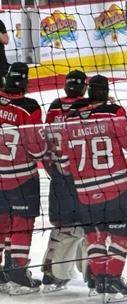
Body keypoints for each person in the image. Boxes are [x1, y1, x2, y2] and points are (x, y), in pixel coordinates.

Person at [55, 75, 127, 300]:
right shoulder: (114, 113)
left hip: (85, 190)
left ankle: (100, 281)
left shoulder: (70, 118)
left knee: (95, 235)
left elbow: (63, 162)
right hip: (115, 187)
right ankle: (112, 278)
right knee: (122, 234)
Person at [41, 70, 88, 292]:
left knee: (62, 225)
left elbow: (44, 139)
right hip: (83, 176)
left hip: (59, 175)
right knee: (91, 225)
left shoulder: (54, 106)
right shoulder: (88, 108)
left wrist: (52, 169)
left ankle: (52, 274)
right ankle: (95, 275)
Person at [0, 63, 44, 294]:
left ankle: (2, 273)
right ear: (25, 81)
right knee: (21, 225)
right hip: (21, 177)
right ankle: (17, 274)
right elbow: (36, 149)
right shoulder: (30, 108)